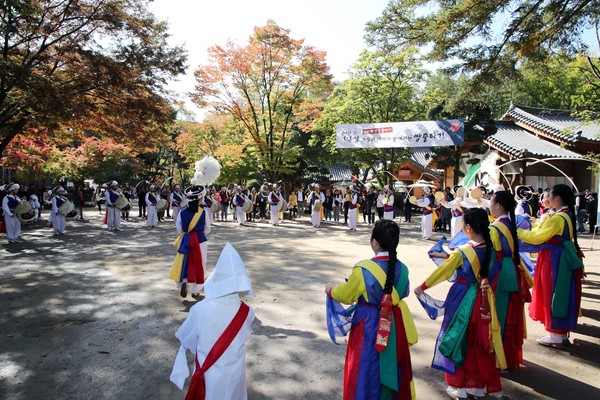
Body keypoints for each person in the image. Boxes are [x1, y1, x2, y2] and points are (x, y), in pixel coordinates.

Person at [414, 208, 505, 400]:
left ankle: (460, 388)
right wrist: (449, 257)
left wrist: (422, 287)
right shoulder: (492, 250)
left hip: (462, 298)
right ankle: (478, 388)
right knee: (479, 341)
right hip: (484, 299)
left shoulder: (463, 252)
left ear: (469, 228)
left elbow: (444, 273)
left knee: (457, 340)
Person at [325, 220, 416, 399]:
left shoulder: (363, 269)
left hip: (369, 324)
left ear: (375, 242)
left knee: (366, 364)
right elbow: (403, 291)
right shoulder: (403, 268)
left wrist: (330, 289)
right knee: (393, 363)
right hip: (395, 325)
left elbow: (346, 295)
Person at [170, 242, 255, 399]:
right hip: (236, 372)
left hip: (209, 372)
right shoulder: (248, 311)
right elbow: (245, 335)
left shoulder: (201, 309)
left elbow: (188, 339)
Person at [517, 184, 585, 348]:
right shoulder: (565, 215)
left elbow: (536, 237)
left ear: (558, 199)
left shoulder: (557, 218)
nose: (546, 200)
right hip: (560, 257)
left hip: (554, 259)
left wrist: (515, 230)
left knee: (551, 292)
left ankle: (554, 335)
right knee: (561, 293)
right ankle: (560, 334)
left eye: (550, 196)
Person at [489, 190, 532, 369]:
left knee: (497, 313)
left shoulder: (495, 228)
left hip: (499, 274)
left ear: (498, 206)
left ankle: (497, 357)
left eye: (491, 202)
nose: (489, 206)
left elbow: (490, 255)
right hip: (512, 270)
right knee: (508, 313)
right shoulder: (511, 223)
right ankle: (507, 355)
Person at [169, 185, 211, 298]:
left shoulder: (182, 212)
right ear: (200, 199)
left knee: (185, 262)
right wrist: (198, 235)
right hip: (200, 240)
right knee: (199, 264)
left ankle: (184, 281)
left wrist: (187, 234)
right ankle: (195, 290)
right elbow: (207, 229)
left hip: (186, 239)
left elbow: (179, 228)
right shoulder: (204, 212)